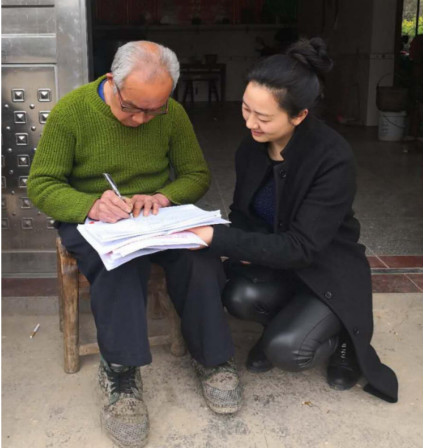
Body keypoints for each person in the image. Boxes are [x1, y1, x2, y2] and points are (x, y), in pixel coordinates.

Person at [27, 41, 242, 448]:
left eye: (153, 110)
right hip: (93, 219)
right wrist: (89, 205)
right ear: (112, 81)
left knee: (200, 256)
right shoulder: (72, 112)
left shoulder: (171, 113)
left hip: (154, 216)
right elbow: (41, 184)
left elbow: (196, 174)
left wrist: (163, 196)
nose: (142, 119)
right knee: (120, 266)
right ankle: (121, 374)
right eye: (131, 108)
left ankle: (214, 359)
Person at [188, 37, 398, 403]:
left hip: (325, 268)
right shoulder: (251, 147)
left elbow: (302, 247)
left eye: (263, 117)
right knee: (238, 296)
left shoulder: (332, 157)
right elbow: (242, 213)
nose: (250, 122)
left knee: (288, 351)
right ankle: (282, 326)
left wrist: (214, 237)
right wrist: (233, 243)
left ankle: (343, 338)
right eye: (246, 109)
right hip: (280, 264)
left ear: (299, 116)